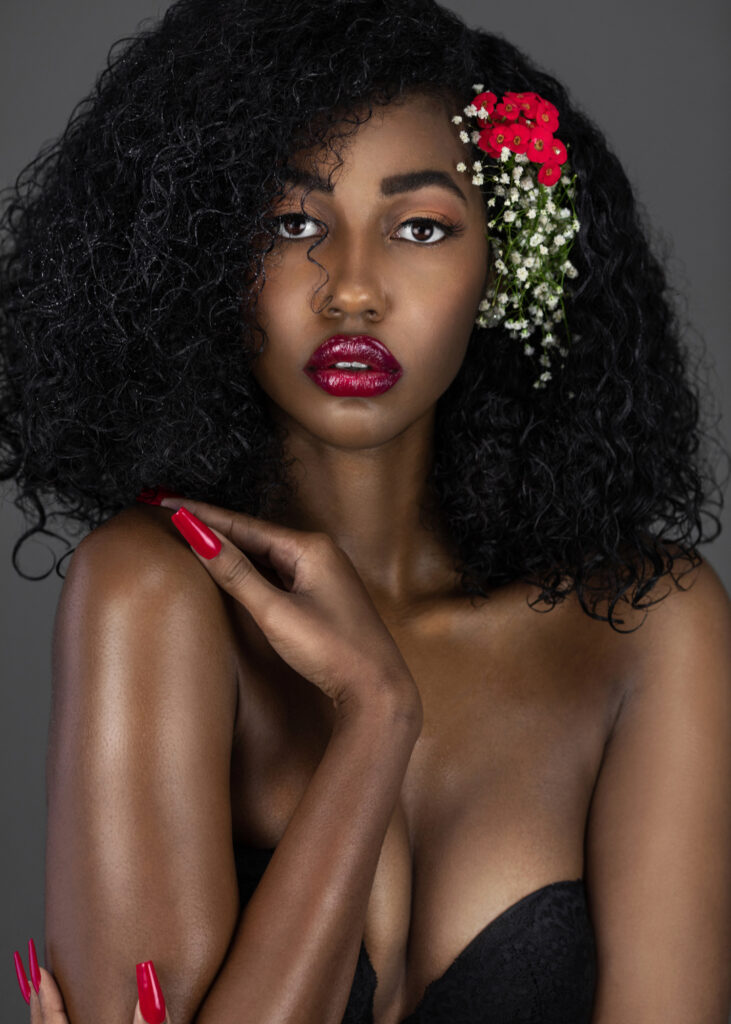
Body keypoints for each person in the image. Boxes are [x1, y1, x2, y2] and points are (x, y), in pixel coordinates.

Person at [4, 0, 730, 1021]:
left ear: (499, 270)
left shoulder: (647, 625)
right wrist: (374, 723)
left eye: (419, 226)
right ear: (207, 257)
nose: (351, 289)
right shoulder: (151, 591)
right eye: (293, 223)